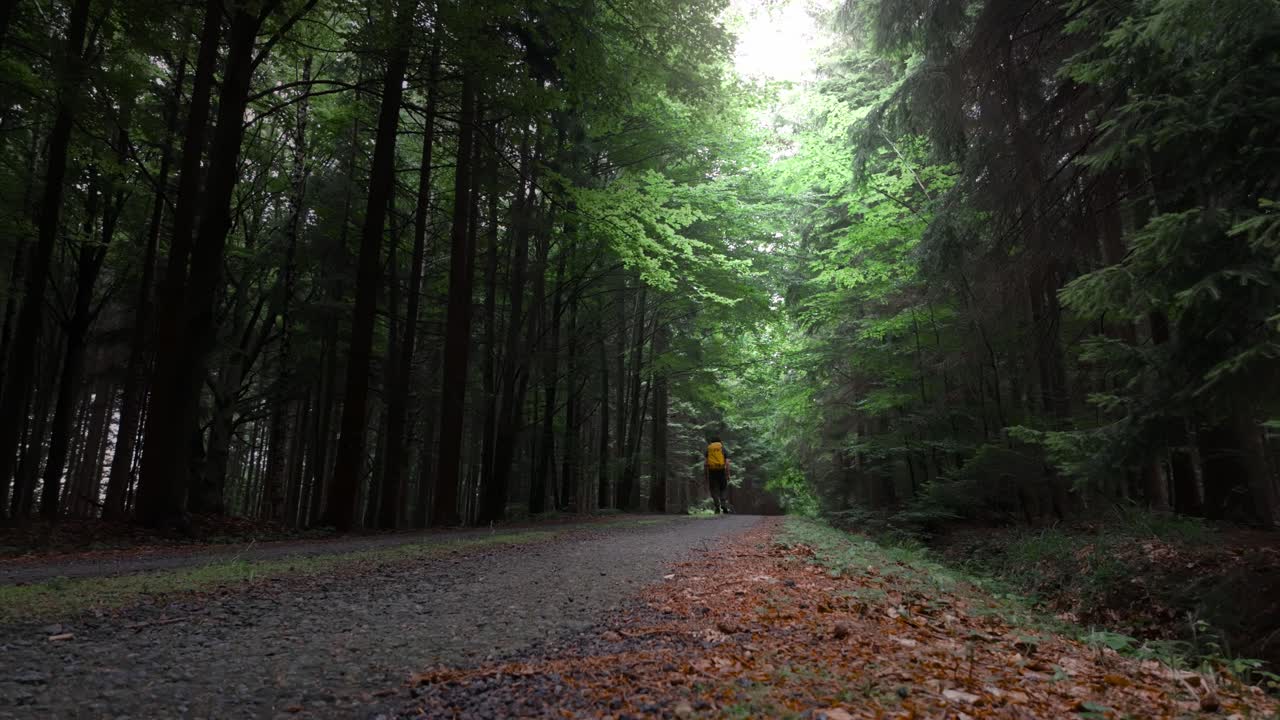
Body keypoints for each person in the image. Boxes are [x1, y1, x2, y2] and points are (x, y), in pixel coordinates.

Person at [705, 436, 731, 513]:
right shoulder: (722, 448)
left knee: (713, 489)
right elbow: (727, 462)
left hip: (711, 471)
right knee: (723, 488)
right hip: (721, 471)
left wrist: (705, 474)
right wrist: (728, 473)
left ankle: (717, 507)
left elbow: (705, 463)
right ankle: (723, 504)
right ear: (720, 441)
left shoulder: (708, 449)